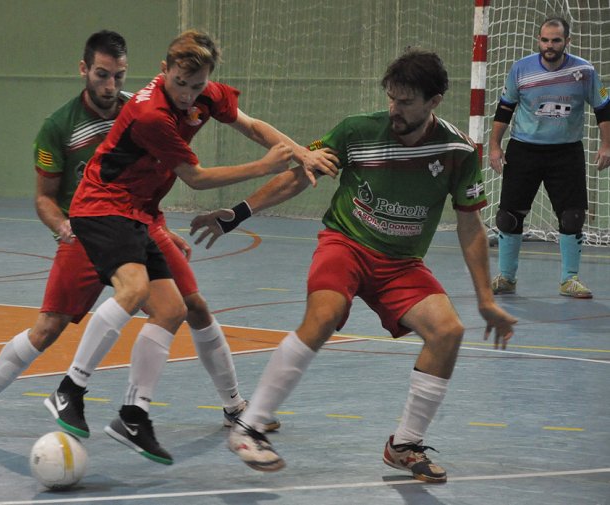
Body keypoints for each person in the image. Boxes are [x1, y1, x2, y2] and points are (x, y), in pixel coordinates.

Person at [190, 49, 517, 482]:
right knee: (322, 316)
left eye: (406, 102)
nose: (394, 110)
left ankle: (404, 445)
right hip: (345, 244)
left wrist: (486, 299)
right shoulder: (357, 131)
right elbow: (297, 176)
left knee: (448, 331)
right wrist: (237, 214)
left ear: (434, 101)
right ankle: (249, 427)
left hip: (400, 263)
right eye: (391, 99)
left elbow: (470, 223)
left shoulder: (457, 151)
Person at [0, 30, 279, 442]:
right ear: (84, 70)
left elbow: (147, 180)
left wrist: (160, 226)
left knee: (191, 306)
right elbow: (45, 199)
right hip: (85, 229)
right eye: (102, 75)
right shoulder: (62, 127)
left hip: (138, 222)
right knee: (48, 328)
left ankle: (233, 407)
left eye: (119, 76)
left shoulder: (152, 108)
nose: (111, 85)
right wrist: (62, 227)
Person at [55, 29, 337, 466]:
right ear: (164, 71)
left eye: (198, 85)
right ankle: (69, 389)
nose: (188, 95)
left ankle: (133, 414)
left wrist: (300, 152)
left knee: (174, 310)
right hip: (103, 204)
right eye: (180, 84)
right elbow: (196, 177)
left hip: (140, 212)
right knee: (131, 291)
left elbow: (251, 125)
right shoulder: (151, 114)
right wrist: (263, 167)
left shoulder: (206, 94)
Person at [488, 16, 610, 299]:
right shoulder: (521, 69)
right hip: (524, 150)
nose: (549, 46)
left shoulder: (585, 71)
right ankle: (506, 277)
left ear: (567, 41)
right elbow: (505, 108)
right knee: (508, 216)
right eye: (545, 40)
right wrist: (495, 146)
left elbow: (603, 107)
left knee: (572, 216)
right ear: (539, 41)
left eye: (556, 40)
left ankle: (569, 279)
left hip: (566, 152)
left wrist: (606, 145)